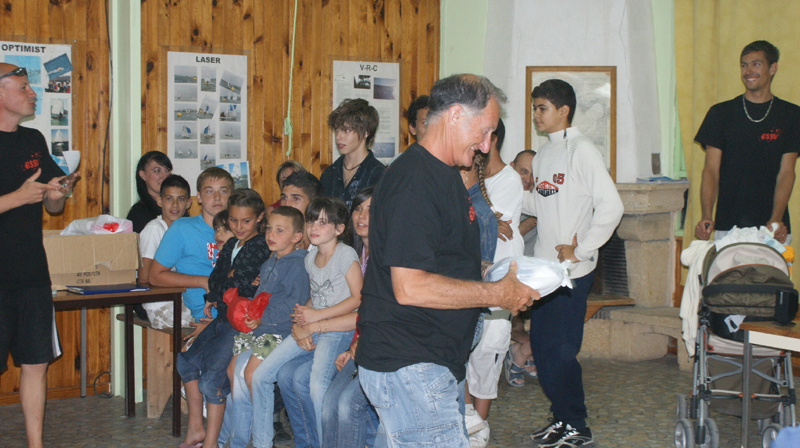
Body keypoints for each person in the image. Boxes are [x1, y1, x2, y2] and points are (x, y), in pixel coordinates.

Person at [354, 74, 538, 447]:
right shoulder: (415, 181)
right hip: (410, 364)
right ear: (455, 115)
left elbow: (439, 257)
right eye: (483, 131)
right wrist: (496, 294)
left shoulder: (444, 174)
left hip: (423, 362)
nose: (486, 145)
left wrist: (490, 274)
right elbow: (410, 286)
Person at [523, 79, 623, 447]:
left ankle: (577, 425)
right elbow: (541, 203)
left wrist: (582, 251)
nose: (536, 115)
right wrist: (502, 199)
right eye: (535, 108)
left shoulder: (582, 151)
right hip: (544, 272)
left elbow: (612, 206)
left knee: (562, 352)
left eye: (542, 108)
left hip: (572, 273)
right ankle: (561, 418)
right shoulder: (544, 154)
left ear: (563, 111)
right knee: (542, 348)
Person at [0, 62, 77, 448]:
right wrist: (16, 198)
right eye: (23, 87)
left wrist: (57, 193)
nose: (32, 93)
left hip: (32, 273)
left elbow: (52, 207)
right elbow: (21, 198)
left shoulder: (33, 139)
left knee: (36, 364)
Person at [249, 197, 362, 448]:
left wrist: (315, 318)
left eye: (323, 222)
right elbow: (316, 297)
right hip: (315, 325)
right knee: (261, 375)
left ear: (339, 229)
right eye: (311, 221)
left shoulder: (345, 254)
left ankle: (326, 443)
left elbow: (358, 299)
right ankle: (262, 443)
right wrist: (301, 318)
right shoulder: (310, 258)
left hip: (336, 330)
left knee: (317, 385)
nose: (314, 227)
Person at [175, 188, 269, 448]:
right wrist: (225, 282)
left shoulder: (261, 245)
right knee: (186, 362)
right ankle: (196, 428)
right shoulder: (230, 244)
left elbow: (241, 282)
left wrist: (229, 279)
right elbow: (216, 278)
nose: (238, 227)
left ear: (259, 218)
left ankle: (211, 442)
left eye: (246, 221)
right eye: (233, 220)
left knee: (212, 379)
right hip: (223, 316)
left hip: (240, 323)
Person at [220, 206, 309, 448]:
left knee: (252, 375)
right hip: (259, 330)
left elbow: (294, 305)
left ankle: (263, 440)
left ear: (297, 236)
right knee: (232, 370)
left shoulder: (298, 265)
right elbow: (262, 297)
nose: (271, 234)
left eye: (280, 230)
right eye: (269, 228)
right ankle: (238, 438)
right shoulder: (270, 262)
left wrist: (262, 317)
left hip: (279, 332)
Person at [694, 40, 800, 244]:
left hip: (773, 229)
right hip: (728, 227)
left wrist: (776, 219)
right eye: (744, 65)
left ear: (772, 68)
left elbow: (787, 172)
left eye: (756, 64)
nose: (748, 71)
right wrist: (707, 215)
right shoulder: (720, 113)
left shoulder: (791, 115)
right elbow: (711, 170)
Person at [320, 187, 381, 448]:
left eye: (371, 210)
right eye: (358, 208)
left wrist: (317, 324)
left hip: (378, 345)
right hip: (357, 342)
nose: (362, 215)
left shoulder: (386, 256)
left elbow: (371, 311)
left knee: (346, 405)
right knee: (329, 403)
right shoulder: (354, 254)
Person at [149, 167, 233, 324]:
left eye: (223, 191)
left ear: (231, 196)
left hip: (244, 315)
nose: (217, 197)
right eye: (209, 191)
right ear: (199, 197)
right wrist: (204, 281)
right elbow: (154, 276)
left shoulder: (240, 229)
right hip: (209, 318)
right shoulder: (182, 228)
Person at [138, 174, 194, 329]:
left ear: (188, 203)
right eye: (169, 199)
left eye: (181, 199)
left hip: (183, 299)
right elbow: (144, 277)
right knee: (209, 322)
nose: (175, 205)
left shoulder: (186, 229)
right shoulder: (154, 229)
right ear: (159, 201)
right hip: (160, 306)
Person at [320, 98, 385, 208]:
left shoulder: (378, 174)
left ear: (366, 132)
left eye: (346, 130)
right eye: (336, 130)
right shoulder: (329, 173)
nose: (338, 137)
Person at [127, 151, 174, 233]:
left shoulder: (176, 206)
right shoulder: (139, 213)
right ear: (142, 175)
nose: (164, 176)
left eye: (167, 170)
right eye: (157, 170)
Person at [280, 170, 323, 250]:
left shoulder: (325, 242)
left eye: (295, 198)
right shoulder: (280, 238)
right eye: (284, 198)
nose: (286, 204)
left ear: (313, 203)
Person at [510, 149, 537, 256]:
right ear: (511, 167)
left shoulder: (542, 203)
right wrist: (527, 224)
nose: (528, 180)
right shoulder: (495, 198)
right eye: (523, 171)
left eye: (533, 175)